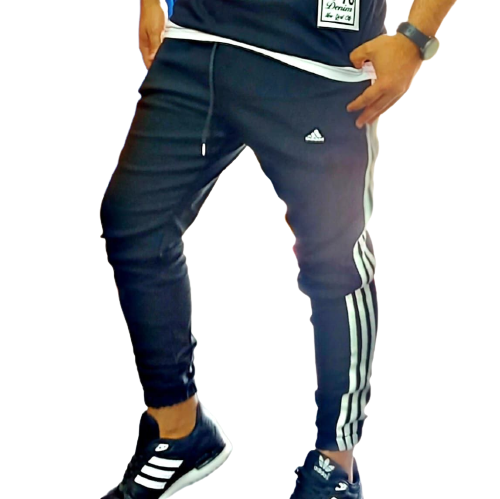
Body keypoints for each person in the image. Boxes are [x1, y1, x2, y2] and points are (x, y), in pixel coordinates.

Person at [99, 0, 455, 497]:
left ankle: (335, 467)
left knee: (335, 259)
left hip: (317, 53)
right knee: (134, 220)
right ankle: (178, 429)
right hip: (200, 35)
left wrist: (415, 39)